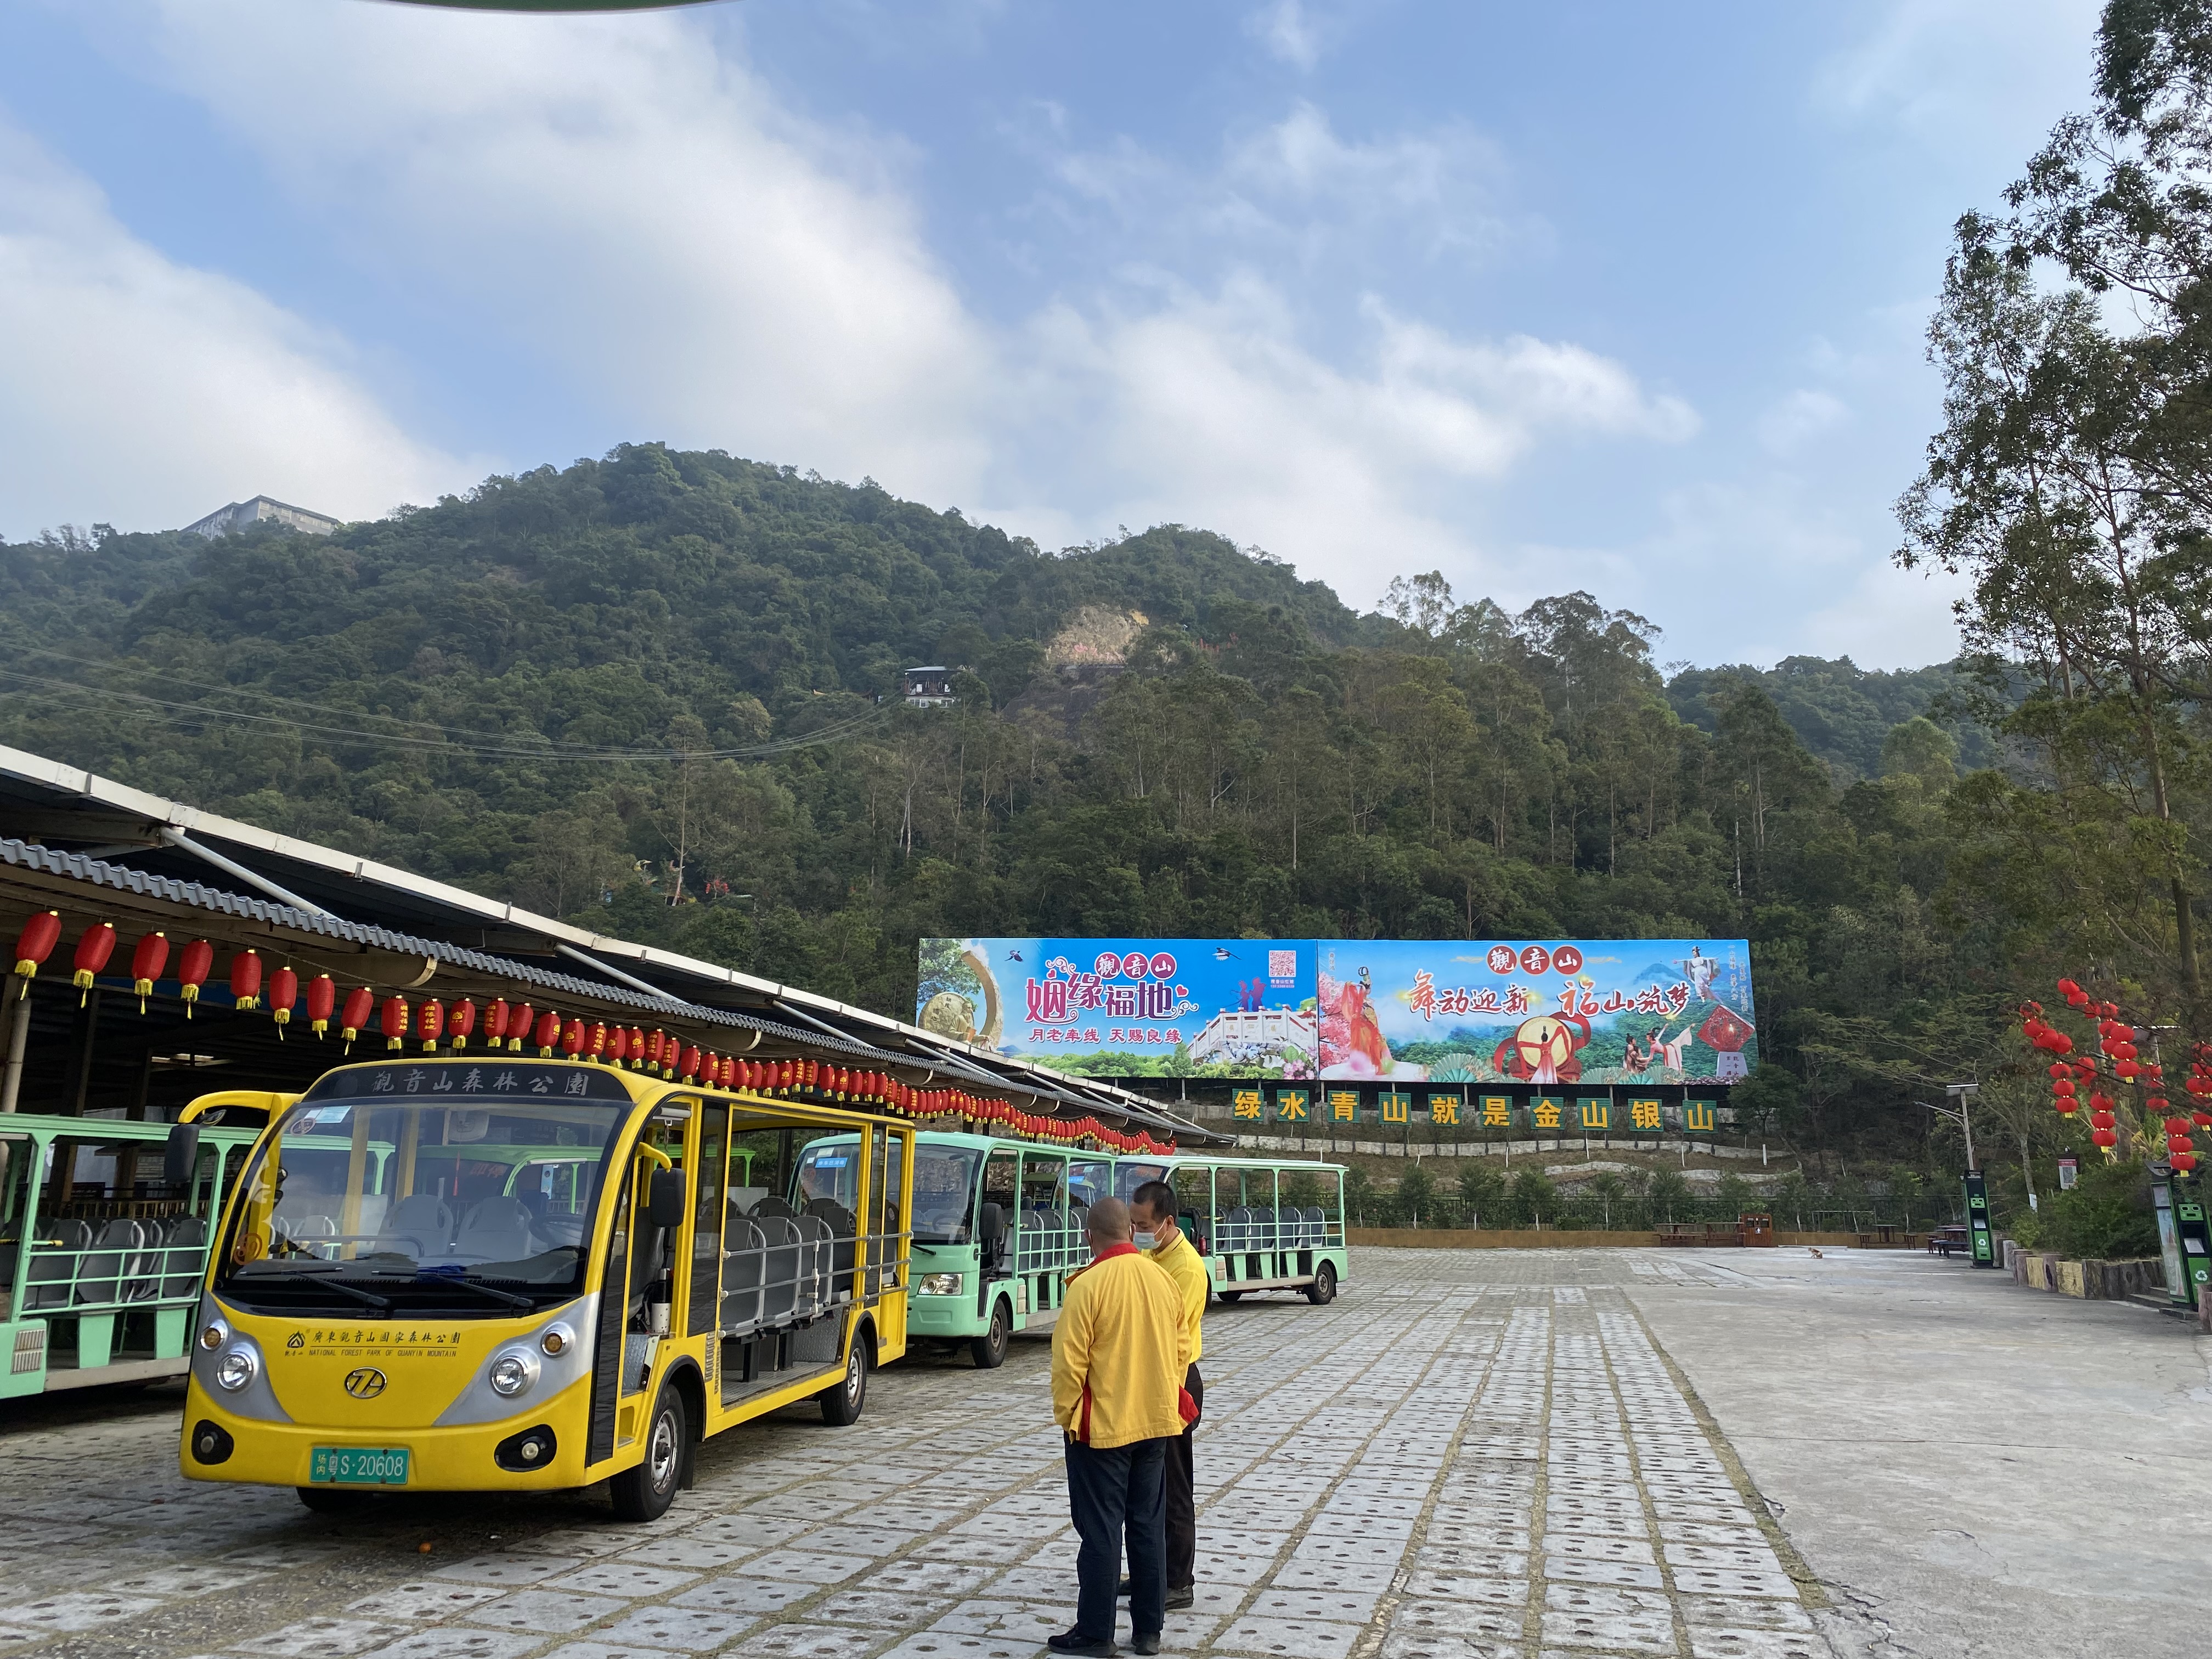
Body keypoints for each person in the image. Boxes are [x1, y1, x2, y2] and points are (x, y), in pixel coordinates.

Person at [1048, 1195, 1192, 1658]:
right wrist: (1164, 1398)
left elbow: (1069, 1364)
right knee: (1147, 1526)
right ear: (1131, 1231)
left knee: (1102, 1530)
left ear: (1088, 1236)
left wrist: (1068, 1417)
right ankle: (1149, 1631)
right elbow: (1182, 1351)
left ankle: (1096, 1633)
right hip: (1156, 1425)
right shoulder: (1162, 1279)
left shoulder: (1086, 1286)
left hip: (1103, 1430)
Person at [1122, 1180, 1206, 1612]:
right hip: (1149, 1378)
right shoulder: (1151, 1255)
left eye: (1142, 1225)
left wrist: (1165, 1396)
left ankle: (1178, 1581)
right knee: (1146, 1487)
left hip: (1175, 1382)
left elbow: (1174, 1338)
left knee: (1173, 1486)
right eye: (1132, 1224)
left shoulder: (1186, 1268)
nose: (1136, 1232)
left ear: (1167, 1222)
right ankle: (1148, 1571)